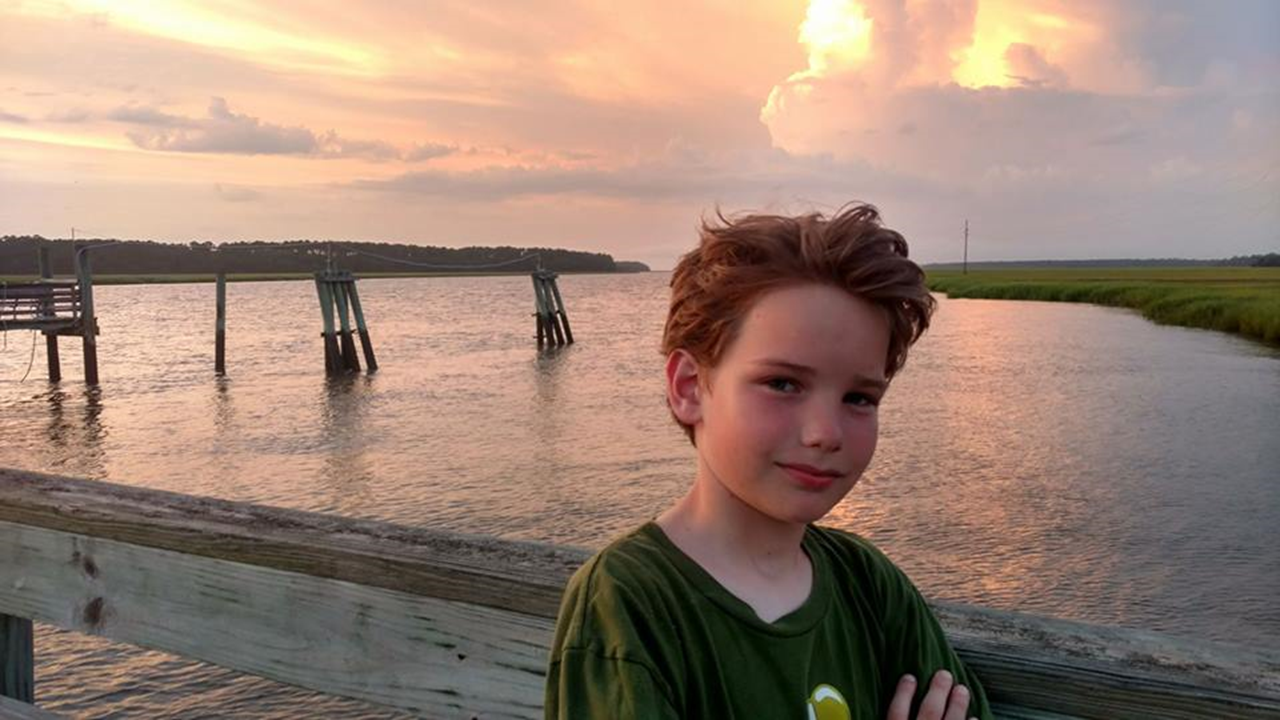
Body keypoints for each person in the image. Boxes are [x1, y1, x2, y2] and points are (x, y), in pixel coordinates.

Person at [545, 204, 992, 720]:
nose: (825, 433)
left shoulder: (867, 583)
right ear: (690, 388)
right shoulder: (630, 604)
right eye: (782, 384)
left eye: (860, 398)